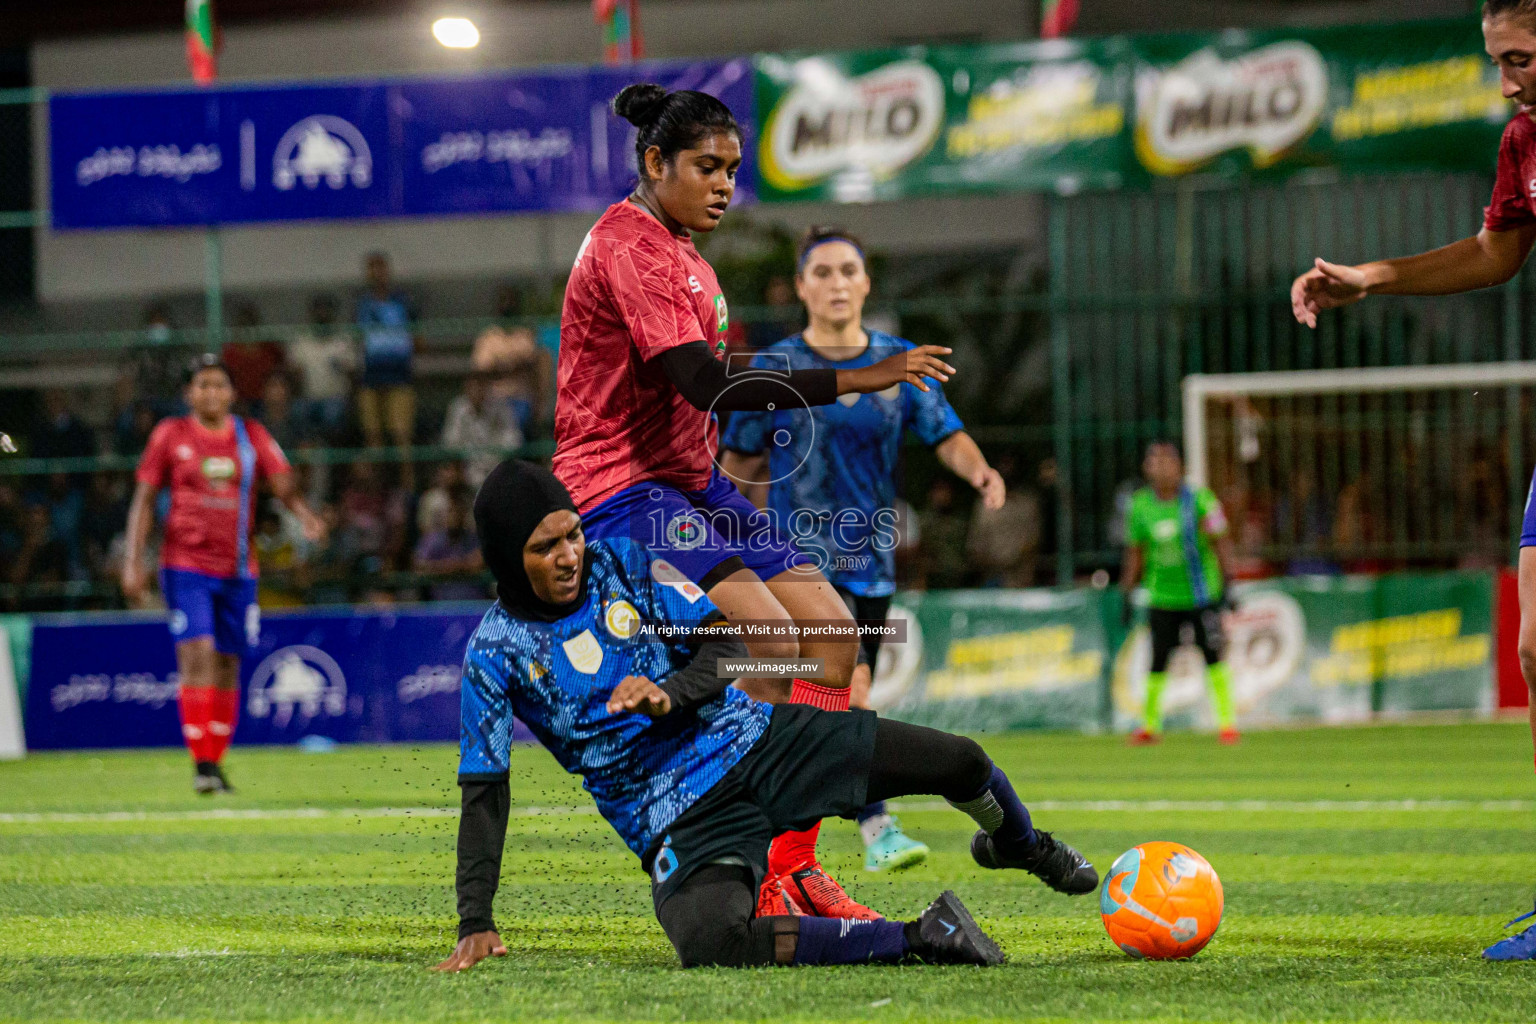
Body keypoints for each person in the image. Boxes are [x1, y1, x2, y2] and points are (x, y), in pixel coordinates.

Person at [432, 460, 1097, 973]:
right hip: (680, 820)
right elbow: (484, 793)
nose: (571, 554)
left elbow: (723, 643)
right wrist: (474, 919)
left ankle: (1022, 845)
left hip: (762, 743)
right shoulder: (493, 656)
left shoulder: (623, 565)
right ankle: (923, 935)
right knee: (710, 941)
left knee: (962, 763)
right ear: (505, 560)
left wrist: (672, 692)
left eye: (573, 532)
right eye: (545, 547)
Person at [552, 84, 956, 918]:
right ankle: (708, 824)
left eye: (733, 170)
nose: (724, 185)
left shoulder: (688, 254)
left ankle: (791, 869)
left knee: (835, 637)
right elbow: (705, 381)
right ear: (655, 162)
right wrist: (851, 376)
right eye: (707, 167)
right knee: (771, 640)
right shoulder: (628, 246)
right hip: (619, 481)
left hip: (686, 477)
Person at [1291, 0, 1536, 960]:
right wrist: (1374, 275)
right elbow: (1496, 254)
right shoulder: (1524, 141)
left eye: (1521, 57)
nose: (1507, 80)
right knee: (1535, 648)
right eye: (1499, 60)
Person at [718, 226, 1006, 876]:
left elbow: (946, 432)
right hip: (794, 563)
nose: (837, 282)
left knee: (807, 704)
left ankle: (766, 833)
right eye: (821, 272)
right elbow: (737, 462)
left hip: (870, 561)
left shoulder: (899, 362)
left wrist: (980, 471)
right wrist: (720, 543)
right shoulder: (777, 369)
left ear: (866, 282)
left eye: (848, 269)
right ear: (800, 287)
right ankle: (876, 825)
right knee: (849, 687)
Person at [122, 355, 326, 794]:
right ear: (188, 393)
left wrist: (306, 516)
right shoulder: (170, 435)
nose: (210, 393)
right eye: (202, 385)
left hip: (238, 569)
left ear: (232, 393)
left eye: (219, 385)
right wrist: (132, 560)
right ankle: (202, 766)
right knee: (196, 655)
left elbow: (284, 484)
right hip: (185, 565)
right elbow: (143, 498)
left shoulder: (250, 436)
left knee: (229, 663)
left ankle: (215, 760)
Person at [1119, 441, 1238, 746]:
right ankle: (1150, 725)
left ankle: (1227, 724)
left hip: (1200, 595)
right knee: (1158, 659)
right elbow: (1135, 552)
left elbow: (1220, 540)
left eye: (1164, 461)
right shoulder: (1141, 505)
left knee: (1213, 655)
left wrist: (1229, 583)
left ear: (1178, 466)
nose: (1157, 467)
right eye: (1152, 462)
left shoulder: (1199, 500)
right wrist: (1127, 593)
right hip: (1161, 596)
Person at [355, 253, 419, 487]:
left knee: (402, 437)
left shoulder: (402, 301)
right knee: (374, 438)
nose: (376, 274)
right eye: (372, 268)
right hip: (371, 375)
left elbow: (416, 336)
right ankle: (377, 490)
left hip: (399, 374)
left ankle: (407, 488)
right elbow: (358, 340)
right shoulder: (362, 304)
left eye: (380, 268)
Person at [286, 294, 356, 440]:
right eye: (319, 309)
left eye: (326, 309)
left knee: (332, 414)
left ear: (333, 313)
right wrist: (296, 376)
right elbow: (292, 372)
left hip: (335, 399)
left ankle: (328, 458)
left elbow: (354, 373)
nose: (322, 313)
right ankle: (308, 456)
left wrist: (344, 369)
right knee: (297, 411)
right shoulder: (302, 340)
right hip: (308, 398)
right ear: (312, 313)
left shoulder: (343, 340)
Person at [441, 373, 522, 489]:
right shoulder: (458, 409)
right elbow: (451, 443)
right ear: (466, 389)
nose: (477, 391)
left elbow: (514, 441)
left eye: (480, 386)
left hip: (497, 469)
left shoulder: (500, 407)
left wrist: (497, 457)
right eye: (472, 387)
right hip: (466, 471)